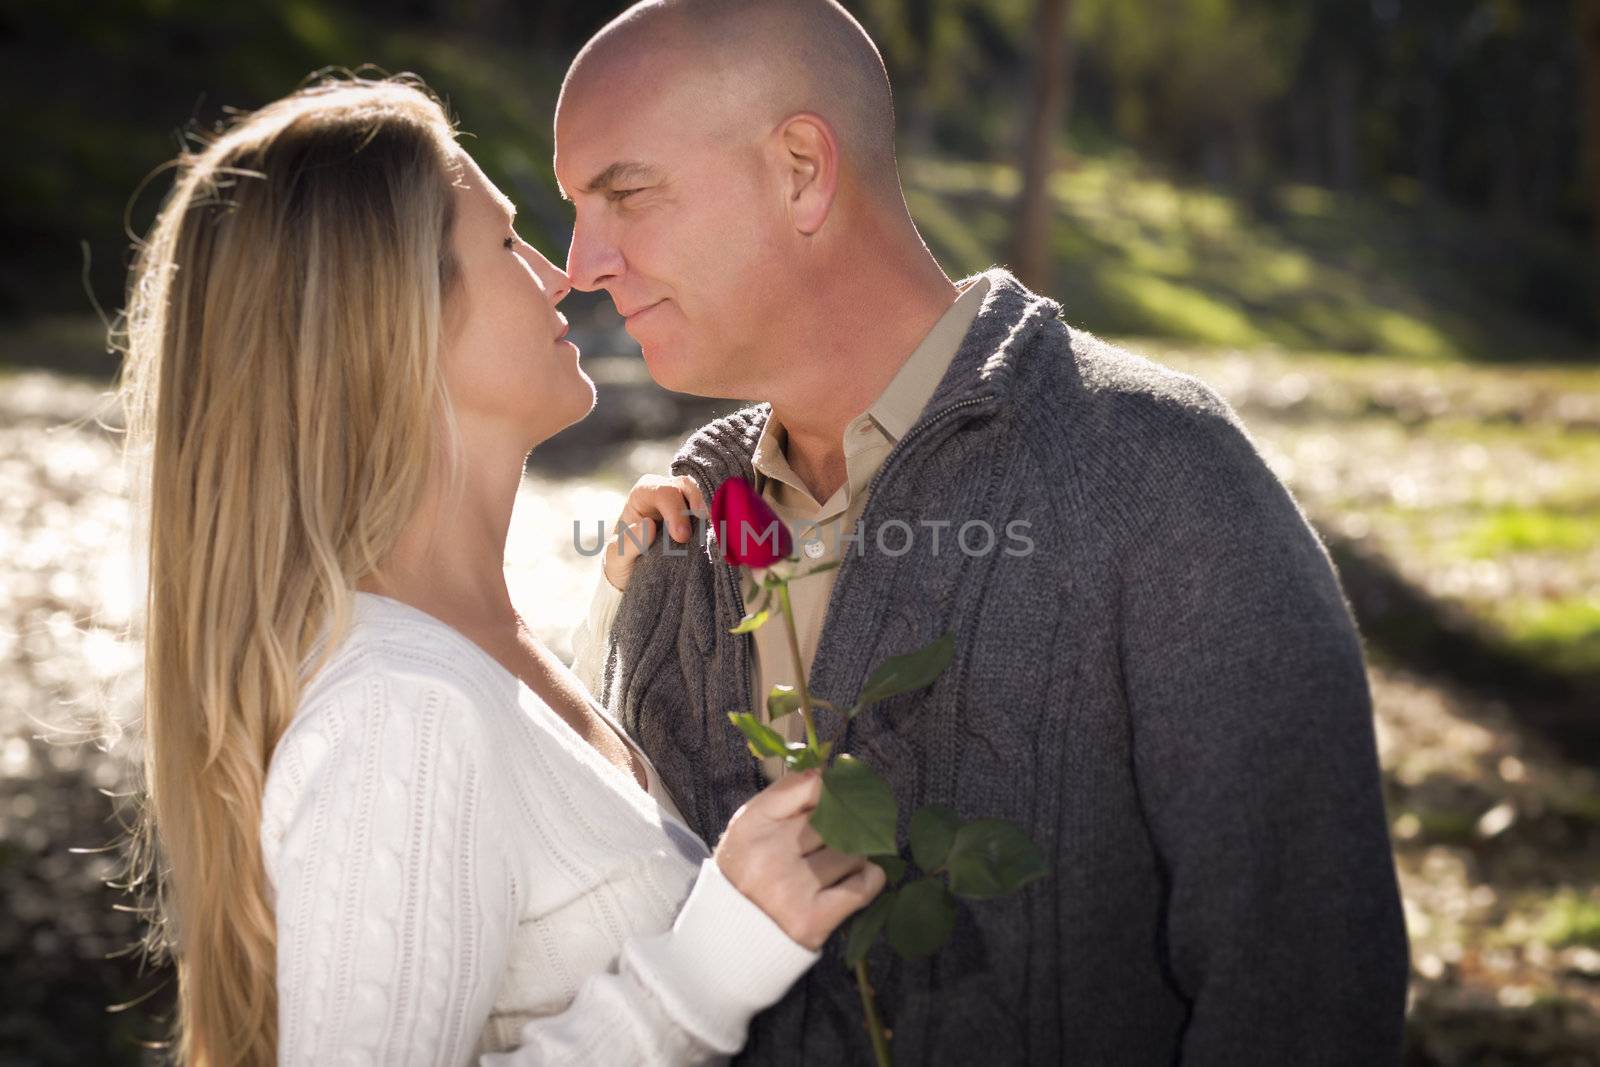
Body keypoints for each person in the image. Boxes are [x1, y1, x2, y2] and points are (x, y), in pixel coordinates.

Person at [557, 1, 1411, 1063]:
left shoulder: (1158, 473)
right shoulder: (678, 528)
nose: (579, 261)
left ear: (800, 169)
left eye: (624, 194)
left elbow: (1307, 991)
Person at [115, 74, 884, 1066]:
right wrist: (705, 970)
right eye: (507, 244)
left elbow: (520, 850)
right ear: (393, 319)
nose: (559, 274)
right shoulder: (400, 708)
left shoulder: (464, 660)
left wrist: (614, 617)